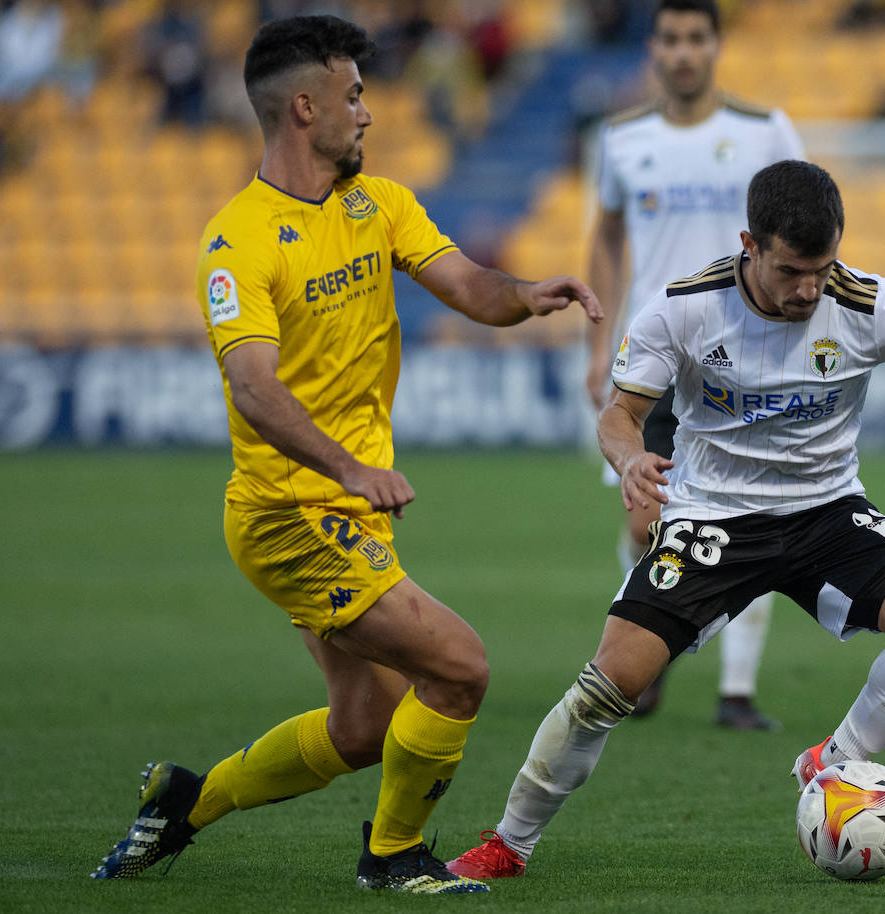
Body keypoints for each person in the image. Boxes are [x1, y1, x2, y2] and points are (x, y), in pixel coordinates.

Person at [89, 15, 602, 895]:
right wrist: (350, 468)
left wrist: (527, 293)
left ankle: (185, 802)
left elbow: (469, 286)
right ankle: (394, 859)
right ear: (302, 107)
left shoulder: (381, 203)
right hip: (290, 516)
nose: (368, 112)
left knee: (363, 728)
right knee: (459, 666)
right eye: (354, 95)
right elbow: (252, 388)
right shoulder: (237, 243)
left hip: (347, 513)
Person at [446, 159, 885, 879]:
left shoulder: (870, 303)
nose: (809, 289)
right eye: (790, 271)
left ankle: (834, 762)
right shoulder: (682, 310)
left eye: (822, 267)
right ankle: (509, 843)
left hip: (826, 511)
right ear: (750, 244)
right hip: (712, 517)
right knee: (609, 685)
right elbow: (619, 416)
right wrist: (629, 461)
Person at [584, 0, 804, 730]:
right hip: (656, 353)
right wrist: (598, 345)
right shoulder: (621, 138)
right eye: (671, 39)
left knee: (758, 511)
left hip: (748, 354)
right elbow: (607, 237)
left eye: (696, 39)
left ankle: (736, 691)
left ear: (715, 45)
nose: (684, 53)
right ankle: (644, 664)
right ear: (654, 48)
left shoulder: (764, 131)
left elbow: (801, 228)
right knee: (645, 518)